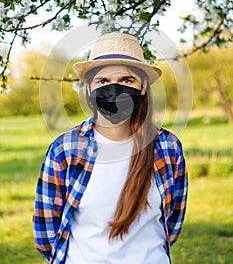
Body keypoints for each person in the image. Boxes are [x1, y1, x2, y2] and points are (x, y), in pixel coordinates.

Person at [33, 32, 188, 264]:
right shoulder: (65, 150)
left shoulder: (167, 147)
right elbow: (46, 234)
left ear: (143, 87)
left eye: (127, 80)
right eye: (103, 81)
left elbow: (172, 223)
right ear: (89, 89)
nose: (114, 90)